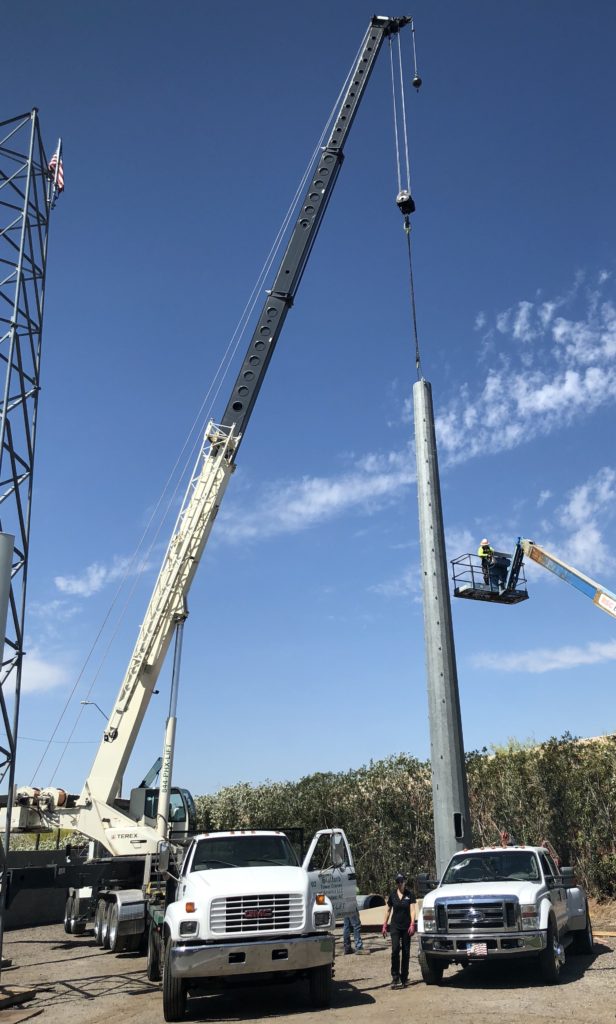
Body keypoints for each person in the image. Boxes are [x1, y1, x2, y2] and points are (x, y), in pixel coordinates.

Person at [382, 872, 416, 989]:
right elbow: (388, 910)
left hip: (406, 926)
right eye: (398, 881)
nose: (399, 883)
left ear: (404, 882)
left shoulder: (410, 894)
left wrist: (412, 924)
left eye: (401, 881)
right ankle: (395, 977)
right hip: (395, 926)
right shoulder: (392, 895)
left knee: (406, 952)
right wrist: (384, 924)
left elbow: (412, 910)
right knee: (395, 950)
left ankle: (404, 977)